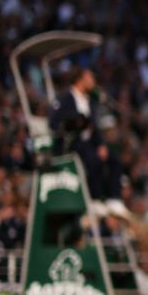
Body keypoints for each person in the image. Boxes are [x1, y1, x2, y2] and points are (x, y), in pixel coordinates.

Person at [49, 66, 122, 202]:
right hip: (72, 142)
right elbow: (54, 122)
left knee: (114, 160)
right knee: (94, 160)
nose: (93, 81)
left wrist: (101, 145)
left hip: (89, 142)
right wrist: (75, 121)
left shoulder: (91, 100)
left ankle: (113, 198)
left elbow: (95, 127)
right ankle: (94, 197)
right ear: (80, 79)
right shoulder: (66, 97)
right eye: (90, 77)